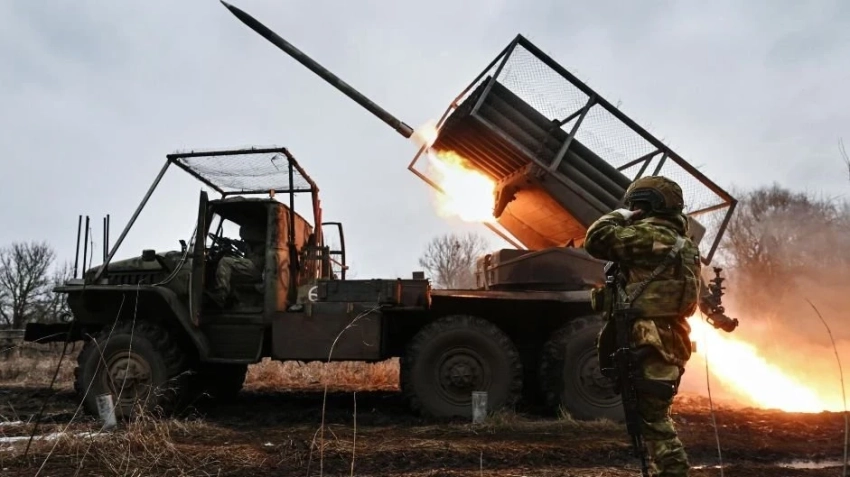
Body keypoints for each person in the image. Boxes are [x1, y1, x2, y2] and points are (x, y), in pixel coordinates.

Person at [583, 175, 702, 477]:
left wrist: (621, 215)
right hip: (670, 339)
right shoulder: (686, 245)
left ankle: (674, 471)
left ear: (644, 204)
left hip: (648, 339)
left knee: (653, 422)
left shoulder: (649, 237)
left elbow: (596, 239)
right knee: (652, 418)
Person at [210, 223, 266, 307]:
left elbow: (246, 245)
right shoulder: (250, 243)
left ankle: (221, 295)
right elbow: (241, 245)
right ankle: (231, 299)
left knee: (225, 262)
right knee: (229, 271)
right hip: (253, 268)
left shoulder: (261, 243)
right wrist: (231, 242)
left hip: (256, 269)